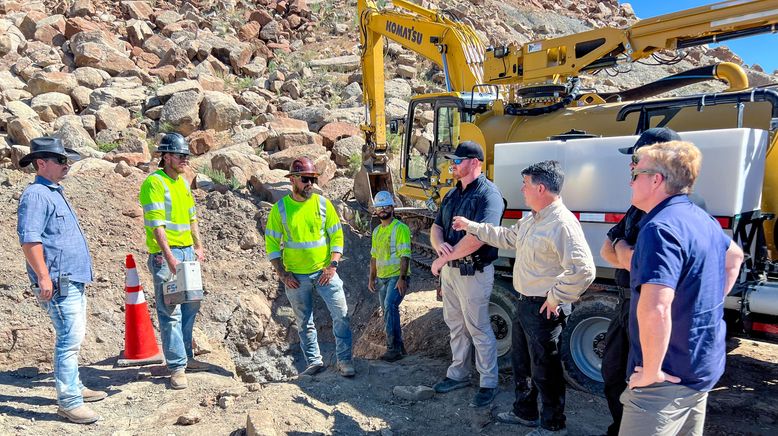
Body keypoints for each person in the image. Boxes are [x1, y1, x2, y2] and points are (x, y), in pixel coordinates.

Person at [453, 160, 595, 435]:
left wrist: (556, 297)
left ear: (541, 188)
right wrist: (472, 226)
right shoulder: (533, 218)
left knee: (546, 369)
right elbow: (507, 237)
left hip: (544, 307)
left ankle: (553, 426)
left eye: (526, 184)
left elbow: (584, 270)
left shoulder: (562, 224)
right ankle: (525, 412)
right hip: (526, 303)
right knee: (524, 364)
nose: (522, 189)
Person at [620, 140, 743, 435]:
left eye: (635, 174)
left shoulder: (659, 229)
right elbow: (735, 256)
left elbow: (657, 307)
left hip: (664, 380)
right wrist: (701, 303)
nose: (630, 181)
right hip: (701, 365)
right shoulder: (702, 218)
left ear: (656, 179)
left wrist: (651, 371)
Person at [17, 137, 107, 424]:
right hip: (57, 281)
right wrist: (43, 277)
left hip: (70, 279)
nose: (66, 165)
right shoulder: (36, 195)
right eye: (60, 160)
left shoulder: (53, 191)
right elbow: (30, 240)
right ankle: (69, 401)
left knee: (74, 336)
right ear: (41, 163)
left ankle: (75, 386)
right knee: (68, 338)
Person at [599, 127, 681, 436]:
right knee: (613, 373)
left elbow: (640, 264)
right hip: (626, 304)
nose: (630, 166)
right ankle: (619, 428)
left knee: (643, 381)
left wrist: (624, 251)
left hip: (646, 308)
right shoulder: (640, 205)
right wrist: (624, 252)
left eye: (635, 159)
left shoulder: (675, 211)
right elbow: (608, 248)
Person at [429, 141, 505, 408]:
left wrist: (442, 260)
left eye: (458, 161)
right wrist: (440, 248)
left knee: (478, 327)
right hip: (452, 273)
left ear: (475, 163)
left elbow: (478, 238)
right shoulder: (452, 194)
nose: (453, 165)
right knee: (455, 324)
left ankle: (488, 382)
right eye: (453, 161)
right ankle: (458, 373)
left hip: (474, 271)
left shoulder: (489, 195)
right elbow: (436, 227)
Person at [264, 156, 355, 377]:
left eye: (313, 179)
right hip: (296, 276)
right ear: (293, 180)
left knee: (341, 315)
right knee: (304, 322)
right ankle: (314, 362)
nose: (310, 184)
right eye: (305, 179)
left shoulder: (323, 205)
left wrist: (332, 265)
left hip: (325, 272)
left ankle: (344, 361)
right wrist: (283, 275)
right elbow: (272, 245)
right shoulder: (281, 209)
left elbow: (337, 237)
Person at [139, 132, 207, 390]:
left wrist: (198, 247)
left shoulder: (182, 182)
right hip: (167, 255)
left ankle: (186, 356)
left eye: (186, 156)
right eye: (180, 155)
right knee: (170, 310)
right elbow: (156, 225)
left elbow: (192, 218)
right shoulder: (154, 183)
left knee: (191, 304)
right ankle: (177, 366)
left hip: (187, 252)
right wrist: (169, 259)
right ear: (166, 156)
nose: (184, 160)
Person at [368, 190, 411, 362]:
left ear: (392, 207)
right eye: (380, 207)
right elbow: (374, 256)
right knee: (387, 311)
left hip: (397, 277)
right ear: (376, 210)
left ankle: (393, 349)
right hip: (383, 278)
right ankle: (400, 348)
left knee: (389, 306)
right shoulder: (377, 231)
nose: (383, 210)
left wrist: (402, 278)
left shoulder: (401, 228)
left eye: (386, 206)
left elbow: (405, 255)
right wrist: (371, 278)